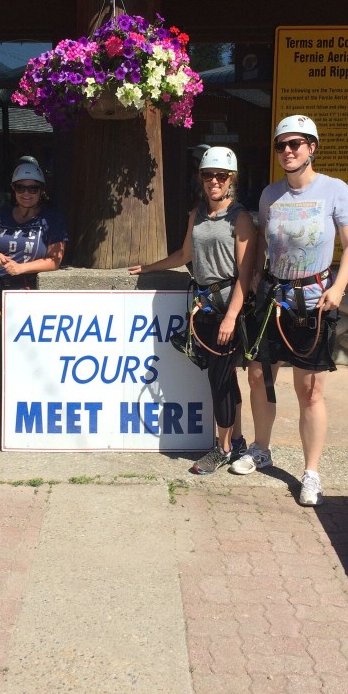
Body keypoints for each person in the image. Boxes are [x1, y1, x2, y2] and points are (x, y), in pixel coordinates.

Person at [231, 114, 348, 506]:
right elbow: (265, 246)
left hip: (313, 299)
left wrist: (338, 287)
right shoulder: (270, 195)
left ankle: (311, 472)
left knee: (310, 390)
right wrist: (254, 279)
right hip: (273, 297)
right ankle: (261, 448)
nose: (287, 151)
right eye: (281, 146)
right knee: (258, 376)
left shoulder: (334, 190)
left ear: (312, 147)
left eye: (295, 144)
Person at [129, 146, 256, 474]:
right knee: (224, 377)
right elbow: (185, 254)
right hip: (204, 309)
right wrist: (148, 268)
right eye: (208, 175)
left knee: (219, 378)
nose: (214, 181)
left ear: (232, 180)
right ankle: (236, 439)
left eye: (221, 175)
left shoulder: (240, 218)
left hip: (229, 307)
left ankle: (223, 447)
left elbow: (245, 273)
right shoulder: (197, 215)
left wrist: (232, 315)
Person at [0, 160, 68, 433]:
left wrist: (22, 267)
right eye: (21, 187)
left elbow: (54, 260)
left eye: (33, 188)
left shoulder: (50, 218)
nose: (27, 193)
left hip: (26, 293)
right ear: (13, 188)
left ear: (41, 191)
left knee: (14, 354)